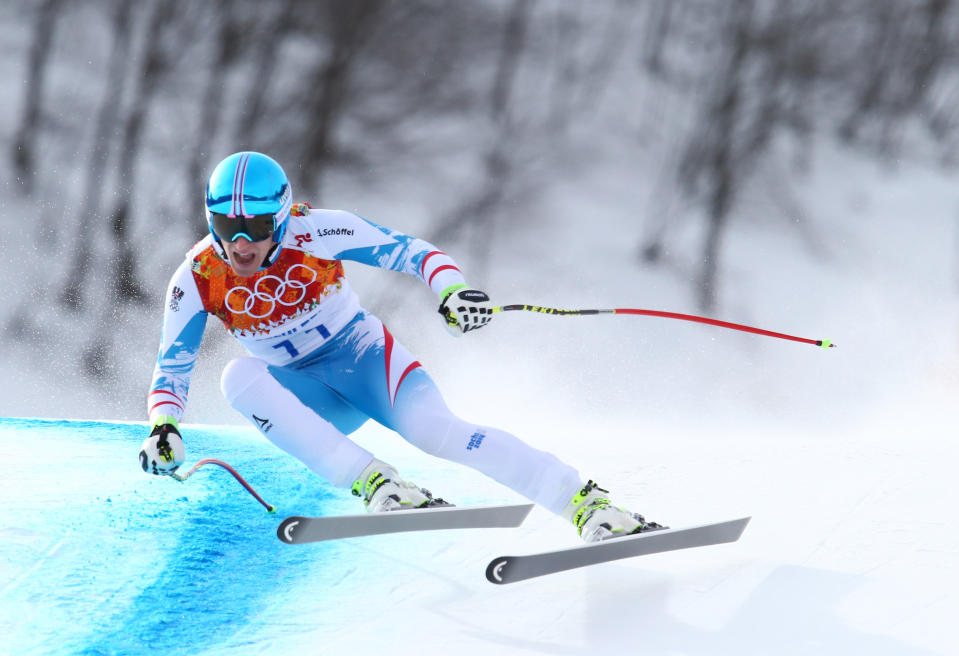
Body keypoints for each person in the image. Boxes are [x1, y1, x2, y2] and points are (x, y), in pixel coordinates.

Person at [140, 151, 662, 542]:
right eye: (227, 226)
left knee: (437, 433)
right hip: (305, 396)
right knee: (238, 378)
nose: (241, 242)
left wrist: (453, 290)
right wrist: (165, 427)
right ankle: (380, 486)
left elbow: (412, 252)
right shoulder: (197, 276)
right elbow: (172, 368)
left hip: (363, 359)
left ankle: (587, 506)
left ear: (280, 216)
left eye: (254, 225)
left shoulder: (315, 229)